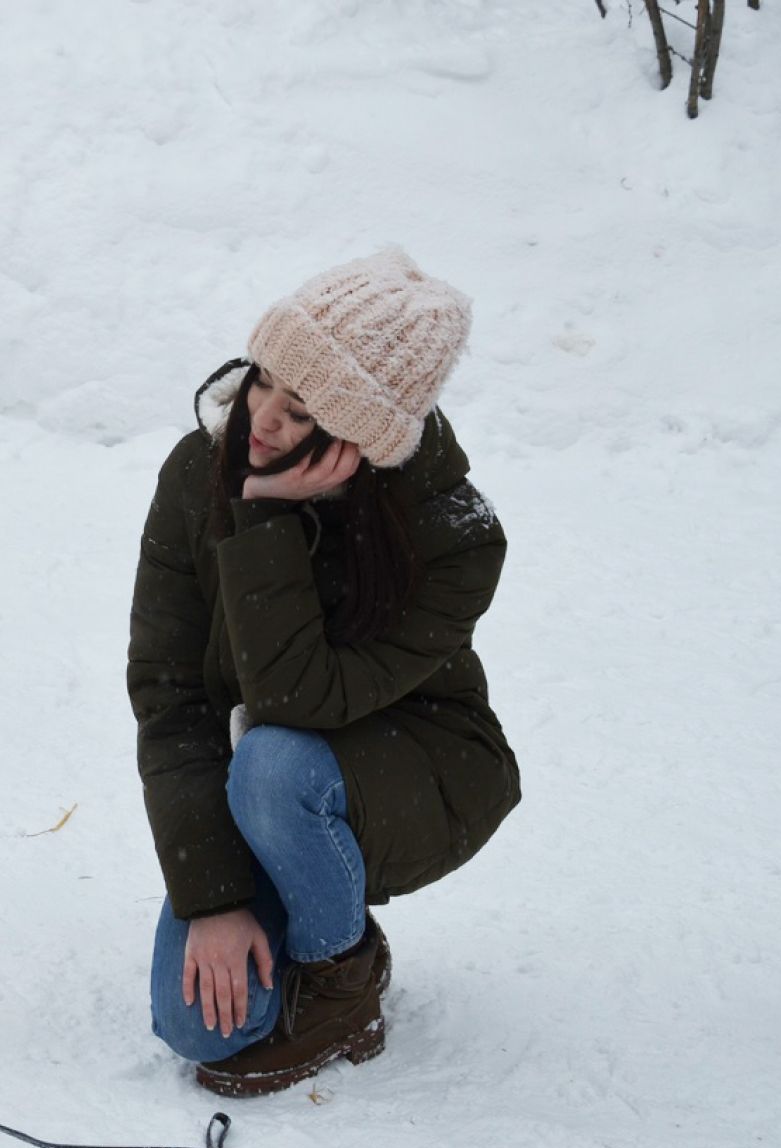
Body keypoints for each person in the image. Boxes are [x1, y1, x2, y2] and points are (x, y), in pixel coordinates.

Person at [127, 248, 520, 1097]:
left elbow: (300, 701)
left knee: (276, 760)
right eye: (264, 379)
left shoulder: (452, 534)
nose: (260, 418)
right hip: (262, 771)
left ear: (361, 439)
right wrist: (214, 895)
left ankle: (342, 973)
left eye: (299, 409)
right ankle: (288, 881)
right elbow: (168, 694)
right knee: (196, 1024)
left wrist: (263, 519)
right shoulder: (198, 471)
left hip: (416, 767)